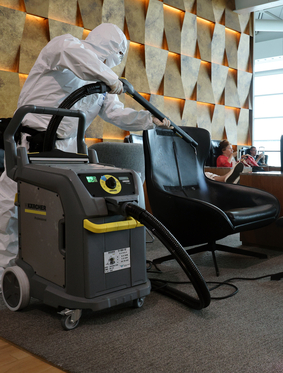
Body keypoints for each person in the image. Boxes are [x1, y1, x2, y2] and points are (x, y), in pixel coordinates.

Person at [0, 23, 172, 275]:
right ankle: (5, 268)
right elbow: (78, 58)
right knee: (8, 207)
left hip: (69, 149)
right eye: (119, 51)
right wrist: (110, 79)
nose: (118, 58)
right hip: (31, 145)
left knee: (60, 209)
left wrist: (149, 119)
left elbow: (116, 114)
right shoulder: (65, 46)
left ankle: (55, 266)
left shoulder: (103, 82)